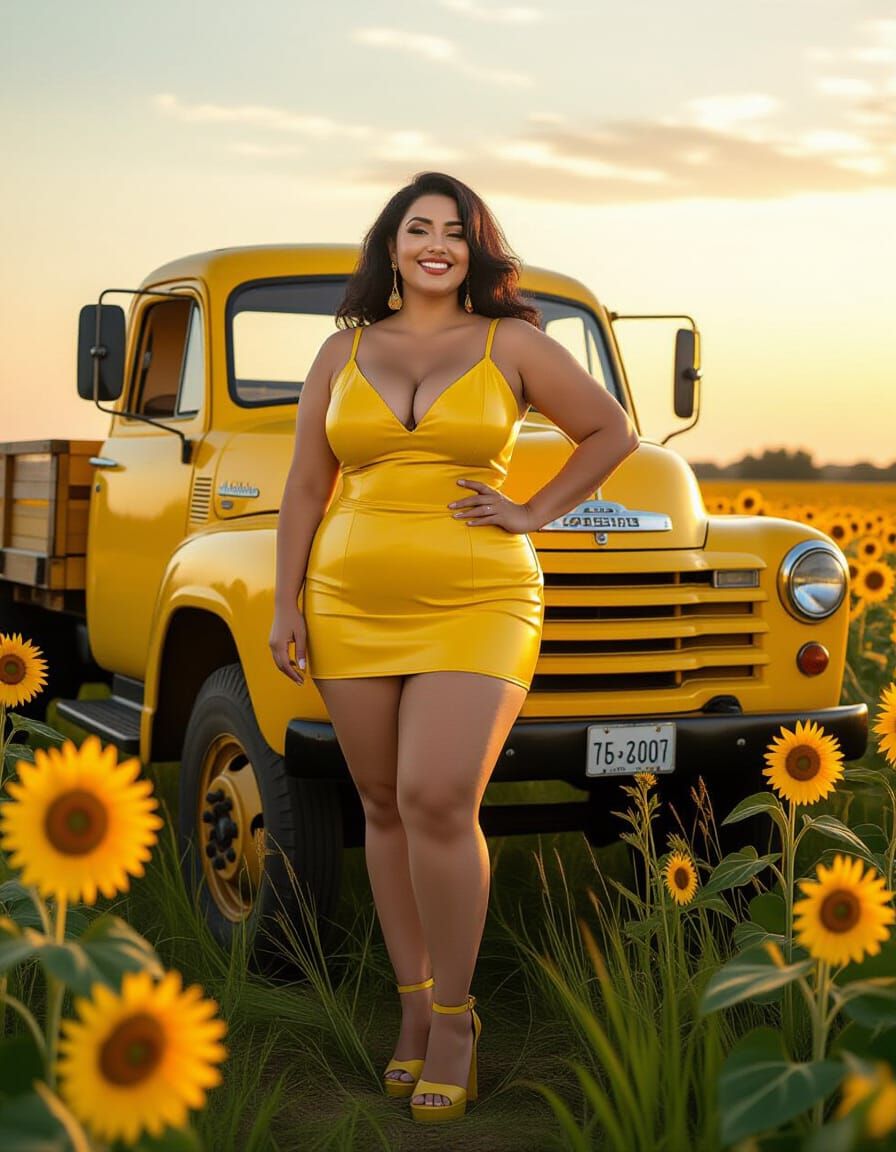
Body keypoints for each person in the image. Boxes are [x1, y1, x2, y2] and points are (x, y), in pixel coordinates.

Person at [270, 171, 639, 1124]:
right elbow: (308, 486)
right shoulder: (339, 350)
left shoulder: (511, 341)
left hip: (480, 596)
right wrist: (287, 605)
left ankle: (457, 1018)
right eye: (418, 228)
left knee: (440, 794)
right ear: (389, 244)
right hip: (349, 599)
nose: (436, 244)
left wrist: (532, 511)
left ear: (475, 251)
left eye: (456, 232)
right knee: (384, 804)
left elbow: (611, 430)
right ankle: (409, 1008)